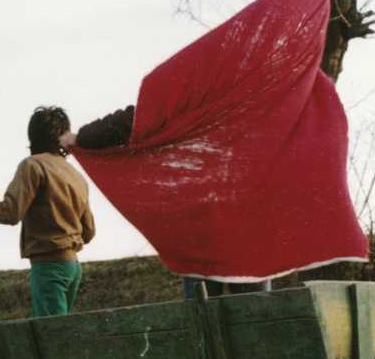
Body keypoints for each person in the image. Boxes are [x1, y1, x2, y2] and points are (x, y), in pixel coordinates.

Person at [61, 108, 270, 299]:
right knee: (258, 321)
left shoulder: (189, 90)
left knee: (206, 320)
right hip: (244, 229)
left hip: (202, 231)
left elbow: (135, 119)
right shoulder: (252, 88)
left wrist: (79, 138)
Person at [0, 106, 95, 318]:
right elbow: (89, 231)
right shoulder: (75, 174)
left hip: (49, 266)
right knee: (61, 333)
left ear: (33, 135)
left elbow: (10, 213)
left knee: (51, 337)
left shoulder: (32, 165)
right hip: (73, 266)